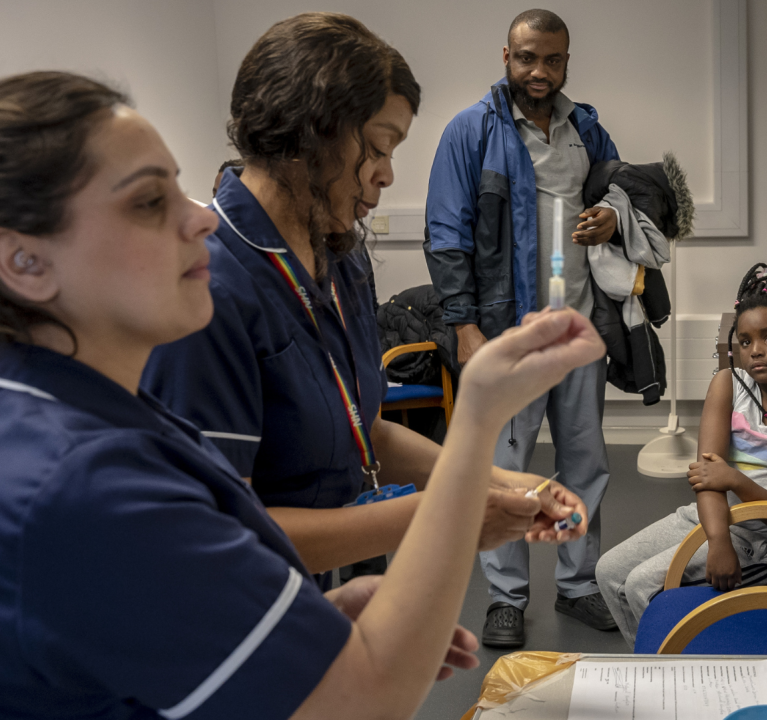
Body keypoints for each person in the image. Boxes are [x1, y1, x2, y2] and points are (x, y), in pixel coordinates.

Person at [0, 70, 608, 719]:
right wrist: (478, 423)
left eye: (178, 188)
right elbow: (364, 698)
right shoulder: (78, 481)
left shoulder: (72, 415)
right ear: (22, 261)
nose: (200, 221)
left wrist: (297, 620)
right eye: (148, 202)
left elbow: (168, 594)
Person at [142, 13, 589, 585]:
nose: (387, 176)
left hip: (321, 591)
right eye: (379, 148)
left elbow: (366, 432)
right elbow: (216, 538)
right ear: (309, 133)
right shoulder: (205, 285)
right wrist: (442, 513)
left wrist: (504, 482)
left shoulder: (341, 257)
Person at [424, 8, 621, 646]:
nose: (539, 71)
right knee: (504, 466)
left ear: (567, 61)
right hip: (509, 331)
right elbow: (446, 234)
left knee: (584, 462)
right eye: (527, 57)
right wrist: (463, 325)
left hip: (580, 327)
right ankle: (506, 598)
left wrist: (612, 220)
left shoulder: (585, 128)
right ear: (505, 56)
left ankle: (579, 584)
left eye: (553, 60)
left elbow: (624, 195)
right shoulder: (471, 131)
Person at [595, 264, 767, 647]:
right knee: (609, 572)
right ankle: (652, 666)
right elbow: (707, 477)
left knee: (642, 585)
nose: (756, 351)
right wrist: (718, 540)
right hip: (716, 519)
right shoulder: (728, 384)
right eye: (744, 342)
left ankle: (669, 679)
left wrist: (736, 480)